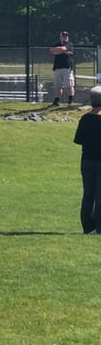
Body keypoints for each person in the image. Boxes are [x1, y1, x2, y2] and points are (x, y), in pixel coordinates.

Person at [73, 86, 101, 234]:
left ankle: (88, 226)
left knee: (88, 193)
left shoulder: (85, 119)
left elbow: (78, 140)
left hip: (87, 160)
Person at [51, 31, 75, 106]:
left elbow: (65, 49)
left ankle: (70, 100)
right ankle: (56, 101)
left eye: (66, 36)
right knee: (58, 86)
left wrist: (59, 50)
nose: (65, 37)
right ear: (60, 37)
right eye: (63, 36)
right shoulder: (56, 44)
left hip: (67, 68)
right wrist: (62, 50)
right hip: (57, 68)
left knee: (69, 85)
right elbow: (52, 51)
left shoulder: (69, 44)